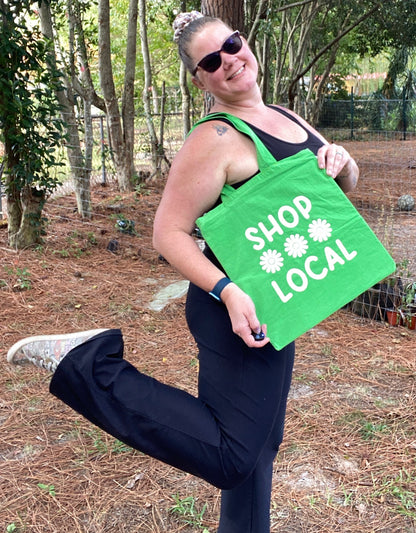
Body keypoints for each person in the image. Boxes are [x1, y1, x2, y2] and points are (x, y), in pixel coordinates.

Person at [7, 11, 359, 533]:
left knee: (261, 449)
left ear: (246, 43)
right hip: (233, 309)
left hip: (281, 300)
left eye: (232, 45)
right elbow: (167, 233)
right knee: (232, 456)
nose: (229, 61)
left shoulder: (287, 117)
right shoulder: (213, 138)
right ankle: (84, 364)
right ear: (200, 79)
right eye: (211, 61)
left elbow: (337, 193)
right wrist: (228, 289)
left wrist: (342, 162)